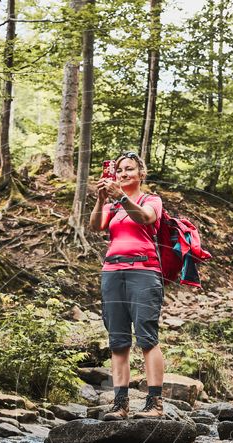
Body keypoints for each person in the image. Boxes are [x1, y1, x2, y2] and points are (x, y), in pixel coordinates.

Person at [89, 151, 165, 420]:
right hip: (112, 272)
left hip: (144, 272)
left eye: (129, 169)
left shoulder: (151, 200)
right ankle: (120, 405)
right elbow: (96, 225)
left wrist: (120, 196)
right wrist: (101, 199)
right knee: (118, 341)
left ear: (141, 174)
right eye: (120, 170)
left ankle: (154, 404)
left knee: (146, 337)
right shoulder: (113, 206)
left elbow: (145, 218)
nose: (123, 174)